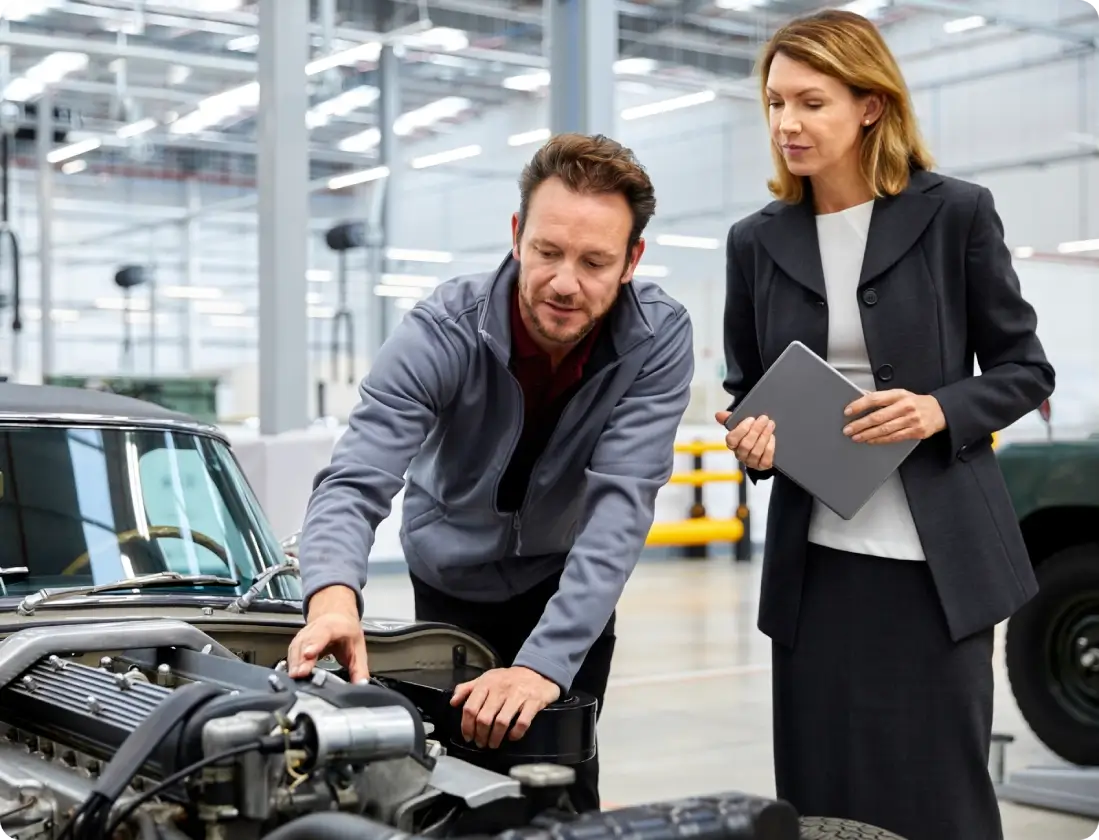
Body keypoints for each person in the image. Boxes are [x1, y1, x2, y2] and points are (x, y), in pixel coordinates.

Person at [717, 10, 1054, 840]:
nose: (785, 123)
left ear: (870, 105)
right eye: (772, 104)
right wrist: (751, 443)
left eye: (810, 102)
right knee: (821, 796)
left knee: (939, 797)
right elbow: (746, 386)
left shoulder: (956, 215)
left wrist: (939, 407)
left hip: (935, 570)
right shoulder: (753, 242)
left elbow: (1025, 370)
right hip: (817, 572)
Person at [285, 132, 694, 813]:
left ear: (632, 261)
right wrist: (331, 598)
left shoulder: (657, 339)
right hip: (449, 581)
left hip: (564, 581)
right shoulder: (441, 330)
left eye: (594, 261)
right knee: (452, 784)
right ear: (515, 235)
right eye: (547, 252)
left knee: (558, 790)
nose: (565, 283)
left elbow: (620, 507)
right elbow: (356, 477)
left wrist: (542, 666)